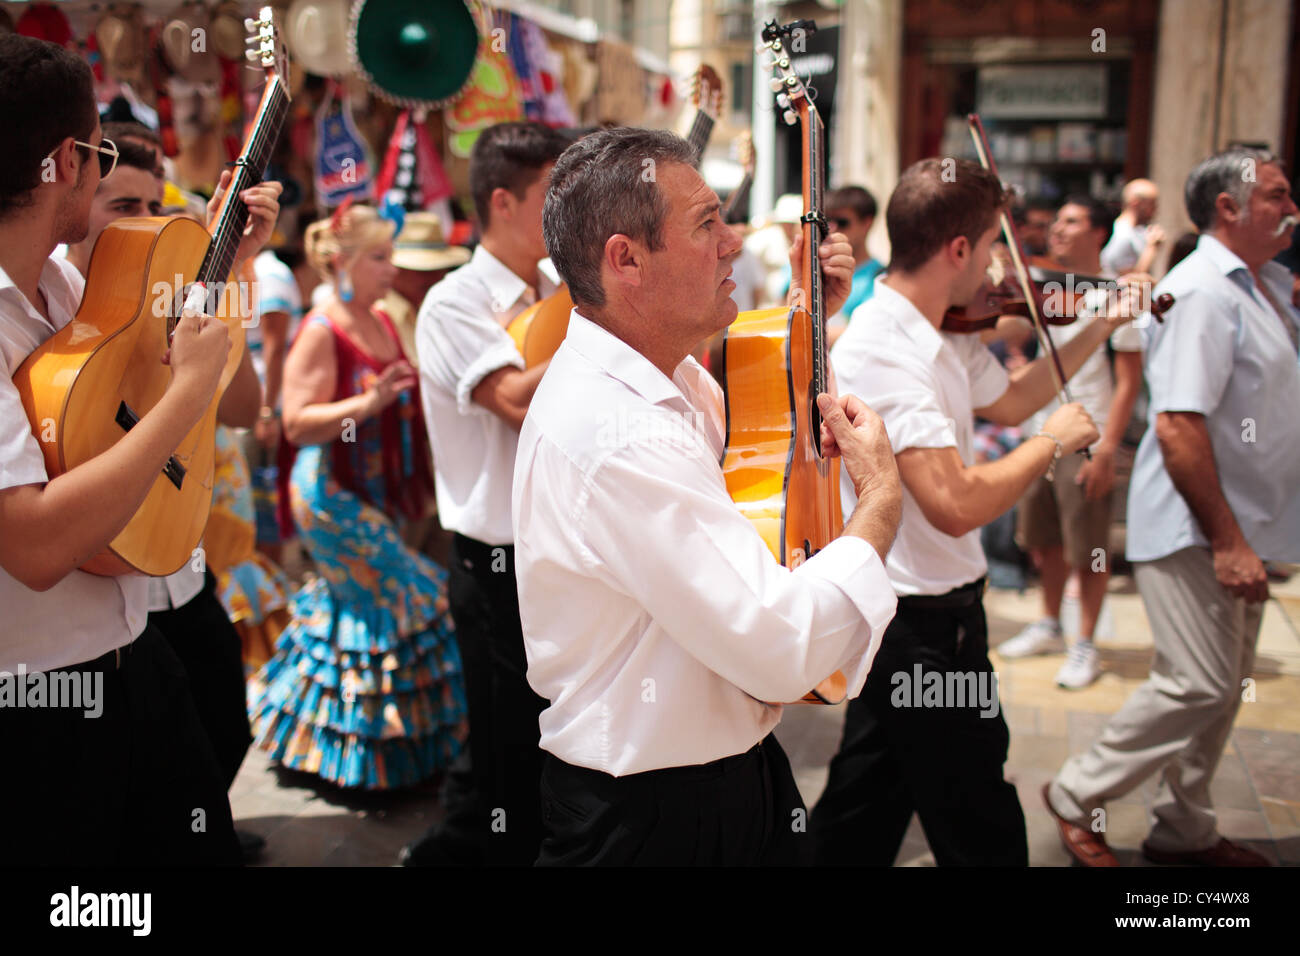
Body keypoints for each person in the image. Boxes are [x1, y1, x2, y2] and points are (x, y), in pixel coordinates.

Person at [515, 126, 901, 866]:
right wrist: (879, 501)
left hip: (718, 782)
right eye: (707, 224)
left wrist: (805, 313)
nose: (734, 242)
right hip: (653, 819)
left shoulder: (668, 376)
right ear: (625, 259)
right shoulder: (622, 431)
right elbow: (783, 646)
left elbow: (752, 421)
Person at [810, 158, 1146, 867]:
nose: (1004, 265)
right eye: (996, 244)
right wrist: (1051, 442)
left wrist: (1098, 320)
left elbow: (1014, 401)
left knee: (864, 808)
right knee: (981, 822)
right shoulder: (887, 348)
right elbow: (957, 503)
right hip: (924, 626)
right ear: (957, 251)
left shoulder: (939, 332)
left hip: (925, 616)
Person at [0, 33, 239, 864]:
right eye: (101, 154)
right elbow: (33, 545)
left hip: (132, 653)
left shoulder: (72, 287)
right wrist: (183, 397)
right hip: (36, 702)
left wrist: (227, 261)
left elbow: (180, 399)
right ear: (66, 161)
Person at [1045, 148, 1300, 867]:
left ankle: (1182, 829)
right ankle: (1076, 792)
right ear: (1229, 208)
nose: (1291, 209)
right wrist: (1227, 540)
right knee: (1198, 682)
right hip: (1197, 526)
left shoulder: (1260, 287)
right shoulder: (1202, 292)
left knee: (1220, 692)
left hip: (1239, 523)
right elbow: (1177, 424)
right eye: (1278, 196)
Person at [248, 202, 466, 790]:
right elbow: (296, 423)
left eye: (391, 257)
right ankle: (371, 755)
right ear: (341, 264)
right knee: (413, 599)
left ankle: (348, 754)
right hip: (329, 496)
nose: (391, 270)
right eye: (379, 258)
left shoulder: (382, 319)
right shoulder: (322, 330)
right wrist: (366, 405)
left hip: (368, 490)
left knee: (360, 614)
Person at [405, 121, 570, 866]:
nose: (569, 211)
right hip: (495, 561)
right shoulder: (453, 302)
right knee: (511, 748)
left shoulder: (558, 293)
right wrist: (601, 315)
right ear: (503, 202)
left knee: (544, 736)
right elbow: (512, 400)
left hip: (562, 552)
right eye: (552, 196)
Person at [997, 196, 1145, 689]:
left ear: (1099, 233)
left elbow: (1128, 382)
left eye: (1072, 221)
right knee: (1043, 541)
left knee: (1089, 548)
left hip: (1087, 433)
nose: (1057, 228)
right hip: (1041, 429)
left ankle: (1086, 644)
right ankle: (1049, 623)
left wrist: (1107, 451)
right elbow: (1013, 330)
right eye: (1056, 218)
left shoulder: (1116, 297)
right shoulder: (1045, 287)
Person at [825, 184, 884, 344]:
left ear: (866, 223)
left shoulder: (880, 278)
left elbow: (870, 334)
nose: (833, 228)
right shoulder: (816, 271)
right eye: (827, 221)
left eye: (842, 222)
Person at [1101, 178, 1165, 275]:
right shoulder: (1123, 235)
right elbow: (1130, 281)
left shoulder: (1137, 230)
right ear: (1135, 203)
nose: (1155, 209)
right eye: (1152, 204)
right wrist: (1152, 248)